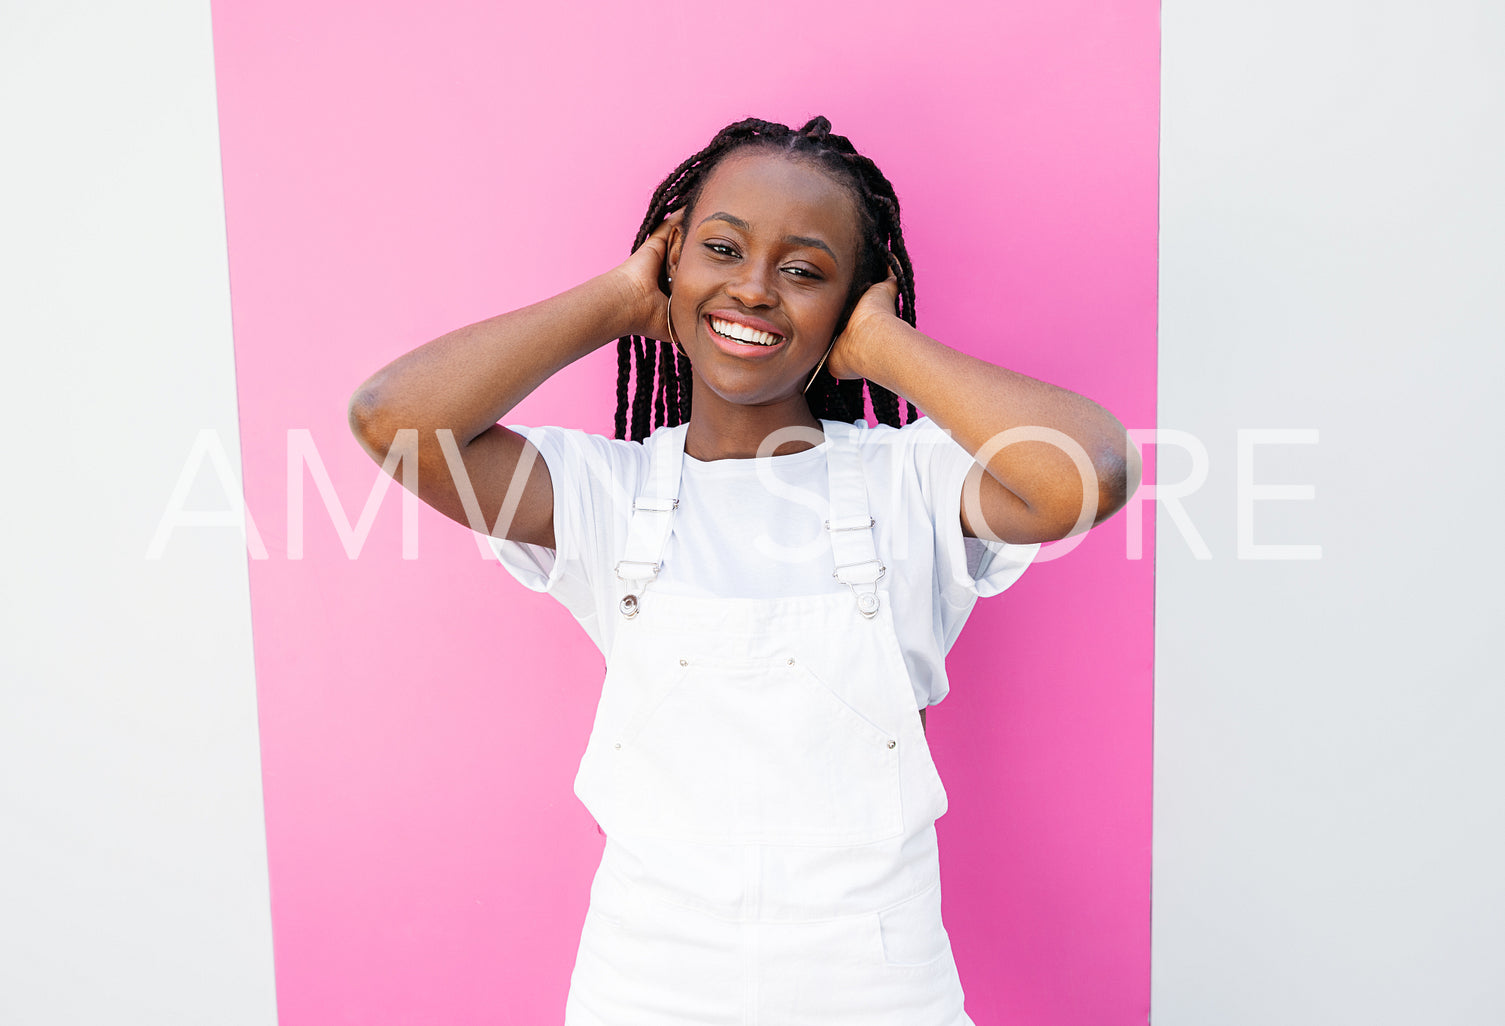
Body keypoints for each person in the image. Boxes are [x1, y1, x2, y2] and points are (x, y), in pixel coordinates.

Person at [349, 115, 1140, 1025]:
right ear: (672, 255)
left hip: (877, 983)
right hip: (646, 982)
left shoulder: (911, 481)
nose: (754, 288)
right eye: (721, 248)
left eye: (805, 271)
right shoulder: (610, 493)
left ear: (852, 299)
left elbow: (1089, 470)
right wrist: (617, 300)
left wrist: (884, 347)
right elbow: (389, 416)